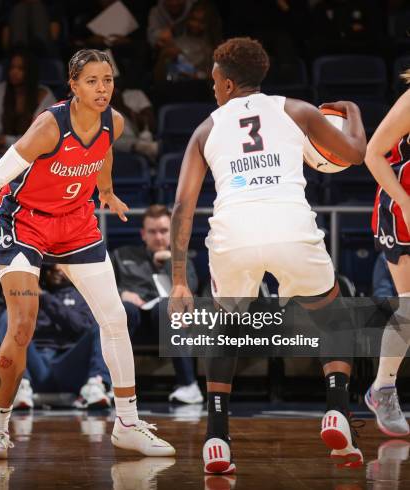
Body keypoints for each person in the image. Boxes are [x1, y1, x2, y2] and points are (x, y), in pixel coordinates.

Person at [0, 48, 175, 459]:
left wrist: (105, 190)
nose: (102, 89)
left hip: (75, 223)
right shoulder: (49, 127)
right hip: (24, 221)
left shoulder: (113, 122)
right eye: (92, 82)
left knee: (116, 318)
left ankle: (129, 424)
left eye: (108, 80)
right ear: (74, 86)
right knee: (23, 325)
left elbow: (103, 151)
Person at [169, 37, 366, 473]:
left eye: (214, 79)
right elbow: (355, 154)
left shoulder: (206, 128)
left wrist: (179, 278)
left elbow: (182, 207)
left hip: (233, 233)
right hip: (289, 225)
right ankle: (336, 408)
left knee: (227, 323)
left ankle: (216, 437)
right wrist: (353, 113)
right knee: (333, 312)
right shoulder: (296, 109)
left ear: (227, 82)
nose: (212, 87)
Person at [111, 204, 201, 403]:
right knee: (124, 309)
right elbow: (105, 287)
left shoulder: (181, 260)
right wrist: (122, 293)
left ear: (172, 233)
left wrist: (171, 261)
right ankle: (111, 385)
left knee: (164, 306)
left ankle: (189, 386)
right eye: (152, 232)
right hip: (133, 321)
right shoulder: (122, 255)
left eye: (163, 231)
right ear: (143, 234)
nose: (158, 237)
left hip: (170, 324)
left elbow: (190, 290)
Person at [0, 264, 113, 410]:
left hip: (69, 365)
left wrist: (44, 298)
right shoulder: (26, 294)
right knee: (9, 317)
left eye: (61, 263)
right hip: (35, 366)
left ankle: (96, 385)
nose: (56, 268)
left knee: (102, 324)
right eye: (51, 264)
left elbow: (82, 327)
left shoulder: (81, 295)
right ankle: (20, 386)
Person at [363, 70, 410, 438]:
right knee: (409, 306)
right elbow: (372, 154)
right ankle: (383, 389)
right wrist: (405, 202)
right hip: (402, 206)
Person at [0, 50, 57, 154]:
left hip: (34, 154)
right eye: (12, 68)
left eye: (20, 69)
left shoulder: (45, 95)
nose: (14, 72)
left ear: (30, 72)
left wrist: (7, 140)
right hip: (3, 153)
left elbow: (39, 136)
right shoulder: (0, 90)